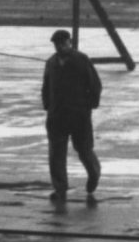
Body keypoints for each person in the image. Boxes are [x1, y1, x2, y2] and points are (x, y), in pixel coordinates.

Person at [42, 28, 104, 203]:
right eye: (57, 44)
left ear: (69, 42)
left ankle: (94, 173)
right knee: (56, 154)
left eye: (63, 43)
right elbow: (46, 86)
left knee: (84, 149)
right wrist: (48, 105)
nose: (60, 47)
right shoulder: (51, 63)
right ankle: (60, 188)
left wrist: (89, 105)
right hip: (56, 116)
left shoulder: (81, 60)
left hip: (79, 115)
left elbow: (95, 85)